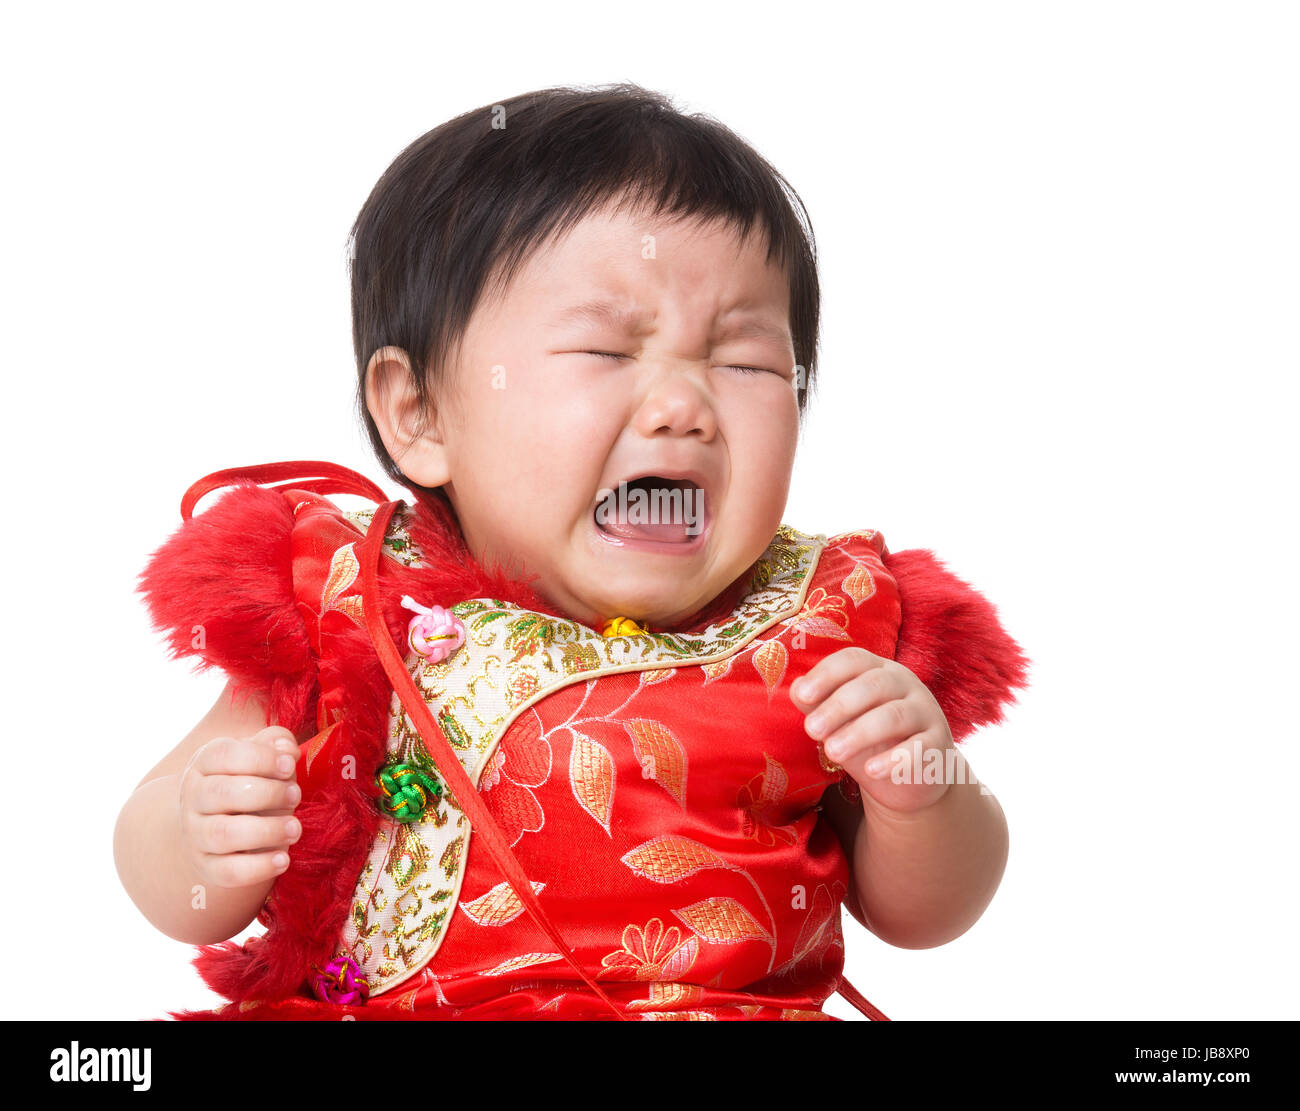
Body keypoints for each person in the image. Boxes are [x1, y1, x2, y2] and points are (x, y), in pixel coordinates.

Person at [116, 83, 1030, 1021]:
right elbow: (162, 870)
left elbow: (922, 914)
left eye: (745, 361)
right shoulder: (351, 602)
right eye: (606, 351)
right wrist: (200, 835)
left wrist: (920, 791)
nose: (684, 406)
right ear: (419, 412)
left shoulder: (817, 633)